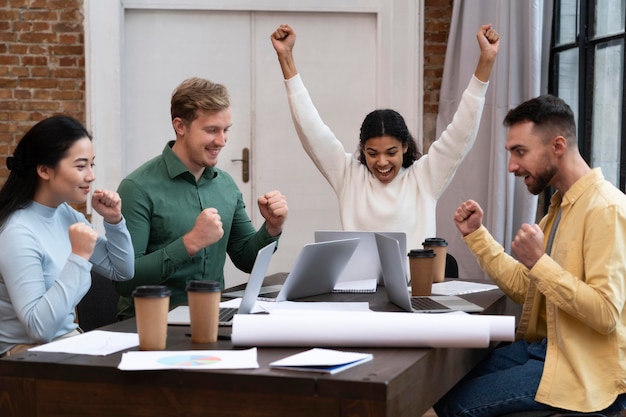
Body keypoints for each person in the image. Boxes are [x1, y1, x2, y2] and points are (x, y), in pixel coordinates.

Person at [435, 95, 626, 416]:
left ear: (557, 146)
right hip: (546, 350)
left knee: (458, 404)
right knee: (442, 386)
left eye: (520, 152)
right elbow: (527, 289)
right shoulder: (559, 209)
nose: (511, 165)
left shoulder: (605, 209)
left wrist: (540, 262)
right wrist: (476, 235)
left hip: (585, 371)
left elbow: (606, 314)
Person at [270, 23, 500, 249]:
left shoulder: (425, 177)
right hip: (360, 286)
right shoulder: (348, 174)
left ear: (405, 147)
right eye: (372, 153)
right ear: (363, 150)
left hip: (413, 286)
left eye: (391, 152)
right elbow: (311, 129)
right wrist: (286, 58)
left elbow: (461, 132)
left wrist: (486, 60)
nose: (381, 162)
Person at [115, 77, 289, 320]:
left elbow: (247, 259)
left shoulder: (225, 185)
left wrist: (271, 228)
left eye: (225, 130)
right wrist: (190, 243)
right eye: (211, 130)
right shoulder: (137, 188)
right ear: (180, 126)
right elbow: (126, 281)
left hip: (212, 319)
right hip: (150, 325)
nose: (221, 140)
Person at [0, 115, 135, 357]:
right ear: (44, 170)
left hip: (66, 346)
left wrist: (114, 222)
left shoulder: (64, 213)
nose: (91, 176)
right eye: (80, 166)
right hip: (24, 360)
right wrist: (79, 257)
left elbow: (122, 271)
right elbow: (38, 328)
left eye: (92, 164)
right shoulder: (17, 232)